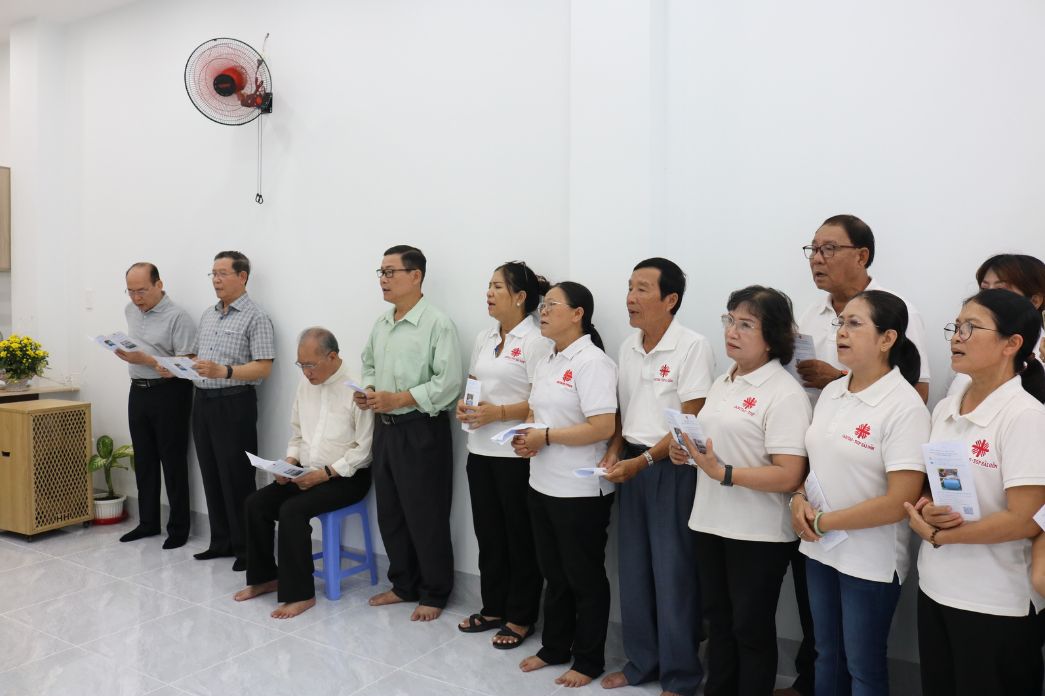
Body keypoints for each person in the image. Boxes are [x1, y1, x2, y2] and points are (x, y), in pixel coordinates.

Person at [783, 214, 930, 696]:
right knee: (826, 653)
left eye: (854, 324)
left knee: (863, 666)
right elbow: (814, 460)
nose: (841, 332)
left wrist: (826, 521)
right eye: (841, 323)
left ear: (888, 339)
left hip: (868, 555)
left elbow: (898, 500)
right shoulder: (832, 392)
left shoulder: (904, 406)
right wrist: (798, 501)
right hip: (819, 544)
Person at [670, 285, 811, 696]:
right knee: (719, 623)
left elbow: (789, 474)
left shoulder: (784, 392)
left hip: (757, 533)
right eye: (729, 320)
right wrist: (689, 455)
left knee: (750, 629)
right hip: (710, 521)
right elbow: (716, 450)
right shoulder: (723, 381)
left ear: (772, 337)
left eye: (746, 324)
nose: (732, 331)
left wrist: (726, 473)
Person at [904, 289, 1045, 696]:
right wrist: (928, 509)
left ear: (1011, 344)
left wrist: (941, 536)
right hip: (937, 585)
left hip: (996, 600)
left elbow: (1024, 519)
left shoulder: (1026, 417)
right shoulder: (947, 408)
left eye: (971, 328)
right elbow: (938, 484)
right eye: (956, 326)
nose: (956, 337)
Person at [600, 258, 715, 696]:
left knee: (674, 574)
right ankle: (641, 663)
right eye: (630, 287)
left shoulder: (692, 346)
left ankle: (681, 675)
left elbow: (692, 418)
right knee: (633, 571)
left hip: (672, 469)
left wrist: (645, 460)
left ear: (671, 299)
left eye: (643, 289)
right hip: (632, 466)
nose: (631, 298)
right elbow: (624, 412)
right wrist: (615, 452)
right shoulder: (627, 346)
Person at [512, 281, 617, 689]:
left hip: (580, 491)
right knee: (554, 574)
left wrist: (547, 436)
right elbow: (539, 413)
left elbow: (602, 427)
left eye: (552, 305)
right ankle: (554, 647)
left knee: (583, 577)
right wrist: (527, 437)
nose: (543, 311)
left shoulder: (593, 363)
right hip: (542, 483)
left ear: (578, 314)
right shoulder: (548, 359)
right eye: (543, 305)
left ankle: (588, 660)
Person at [355, 245, 463, 622]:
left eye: (391, 272)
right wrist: (370, 391)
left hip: (421, 429)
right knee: (391, 512)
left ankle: (434, 592)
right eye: (381, 273)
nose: (383, 280)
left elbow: (448, 383)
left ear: (415, 276)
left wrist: (399, 398)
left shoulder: (437, 323)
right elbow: (368, 363)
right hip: (385, 429)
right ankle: (403, 584)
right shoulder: (382, 323)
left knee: (426, 514)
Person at [234, 327, 372, 619]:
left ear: (332, 357)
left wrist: (325, 474)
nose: (306, 372)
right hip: (305, 471)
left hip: (346, 478)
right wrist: (288, 462)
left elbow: (364, 450)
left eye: (310, 365)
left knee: (292, 511)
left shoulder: (358, 387)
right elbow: (297, 434)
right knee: (255, 504)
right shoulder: (306, 384)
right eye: (301, 365)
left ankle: (301, 594)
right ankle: (265, 577)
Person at [455, 261, 552, 648]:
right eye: (489, 286)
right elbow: (474, 383)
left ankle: (521, 616)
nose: (489, 293)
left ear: (520, 296)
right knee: (489, 534)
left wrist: (498, 413)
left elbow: (543, 398)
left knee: (519, 538)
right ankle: (493, 607)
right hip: (479, 450)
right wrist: (467, 406)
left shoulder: (537, 340)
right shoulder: (485, 336)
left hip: (515, 455)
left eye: (497, 286)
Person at [191, 251, 275, 571]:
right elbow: (200, 358)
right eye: (213, 273)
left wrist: (224, 371)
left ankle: (246, 549)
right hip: (202, 401)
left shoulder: (256, 317)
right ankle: (221, 541)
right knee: (211, 472)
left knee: (237, 477)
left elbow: (263, 367)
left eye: (222, 273)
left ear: (242, 277)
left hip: (234, 402)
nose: (216, 280)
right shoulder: (208, 315)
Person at [115, 262, 196, 549]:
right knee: (144, 459)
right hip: (138, 390)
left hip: (170, 392)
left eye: (142, 291)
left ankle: (179, 528)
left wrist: (147, 360)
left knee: (173, 461)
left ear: (159, 285)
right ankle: (148, 522)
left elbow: (188, 363)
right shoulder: (130, 310)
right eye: (130, 291)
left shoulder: (178, 317)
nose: (136, 298)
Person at [946, 253, 1045, 397]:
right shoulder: (966, 348)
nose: (988, 298)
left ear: (1035, 301)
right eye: (984, 290)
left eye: (1001, 291)